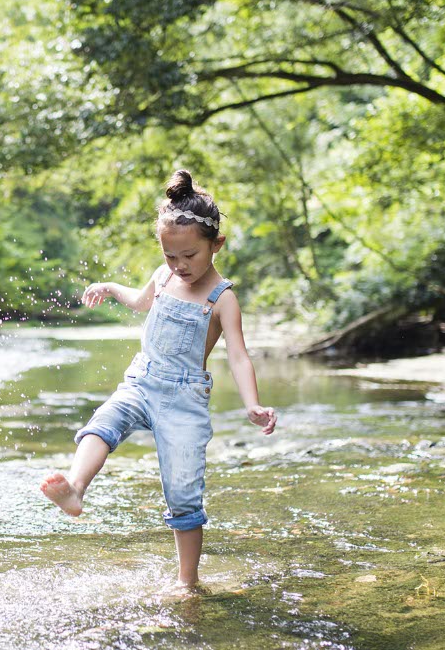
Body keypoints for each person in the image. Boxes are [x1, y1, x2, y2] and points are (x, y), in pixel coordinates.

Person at [40, 168, 277, 591]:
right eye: (171, 256)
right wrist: (111, 287)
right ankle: (75, 488)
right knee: (103, 423)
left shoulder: (223, 298)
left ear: (216, 244)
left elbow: (239, 356)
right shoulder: (163, 275)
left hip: (184, 399)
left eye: (191, 256)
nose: (181, 265)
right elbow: (139, 302)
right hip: (142, 380)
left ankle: (188, 582)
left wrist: (252, 404)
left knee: (184, 494)